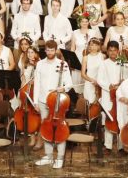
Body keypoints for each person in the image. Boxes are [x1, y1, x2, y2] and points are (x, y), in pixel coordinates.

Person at [35, 39, 76, 168]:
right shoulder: (40, 64)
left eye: (52, 50)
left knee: (59, 129)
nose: (50, 52)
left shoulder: (62, 64)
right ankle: (48, 156)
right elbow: (37, 83)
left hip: (57, 102)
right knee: (45, 129)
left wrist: (63, 88)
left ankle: (59, 157)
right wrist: (35, 101)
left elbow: (69, 83)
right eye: (47, 50)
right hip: (42, 100)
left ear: (56, 50)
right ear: (45, 50)